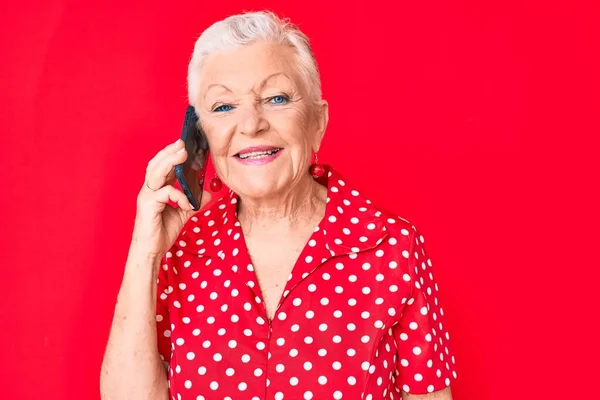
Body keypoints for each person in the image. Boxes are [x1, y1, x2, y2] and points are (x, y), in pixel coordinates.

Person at [100, 10, 457, 400]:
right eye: (223, 107)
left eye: (276, 98)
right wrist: (145, 253)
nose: (251, 124)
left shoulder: (394, 247)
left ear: (317, 121)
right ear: (201, 136)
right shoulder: (182, 248)